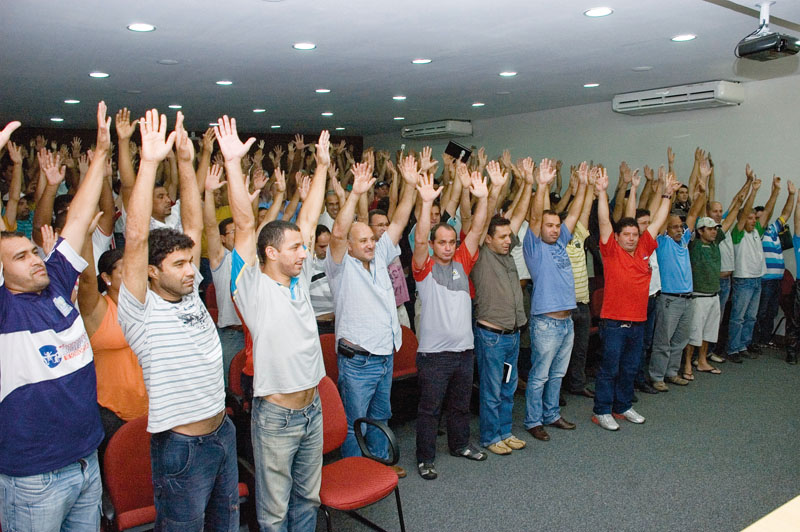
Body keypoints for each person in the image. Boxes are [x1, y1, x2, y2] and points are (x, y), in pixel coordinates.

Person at [117, 110, 239, 529]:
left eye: (191, 262)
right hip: (183, 445)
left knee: (224, 524)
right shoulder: (140, 309)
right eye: (179, 264)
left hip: (223, 432)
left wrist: (187, 163)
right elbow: (135, 238)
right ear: (152, 271)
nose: (191, 271)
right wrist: (149, 163)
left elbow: (191, 223)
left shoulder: (189, 294)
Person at [221, 118, 330, 531]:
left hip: (312, 408)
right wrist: (234, 163)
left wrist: (321, 167)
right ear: (269, 253)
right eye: (296, 248)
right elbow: (246, 224)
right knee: (274, 512)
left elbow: (312, 213)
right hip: (277, 417)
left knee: (308, 500)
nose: (304, 253)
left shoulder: (298, 282)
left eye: (304, 246)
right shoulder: (251, 288)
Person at [0, 109, 107, 531]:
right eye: (21, 257)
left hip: (85, 461)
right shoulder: (6, 311)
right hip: (34, 476)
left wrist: (100, 151)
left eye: (34, 251)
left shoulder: (58, 282)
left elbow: (78, 219)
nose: (35, 259)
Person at [325, 152, 418, 476]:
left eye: (371, 238)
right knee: (354, 422)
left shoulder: (379, 256)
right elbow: (337, 232)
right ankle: (355, 471)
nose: (370, 243)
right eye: (362, 240)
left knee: (381, 415)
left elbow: (400, 221)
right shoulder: (339, 267)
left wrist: (408, 183)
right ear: (348, 245)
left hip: (384, 355)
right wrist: (354, 193)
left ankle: (378, 464)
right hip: (358, 360)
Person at [413, 168, 489, 479]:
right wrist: (425, 203)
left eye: (450, 241)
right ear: (433, 244)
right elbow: (418, 238)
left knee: (460, 407)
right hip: (434, 356)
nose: (447, 246)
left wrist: (483, 198)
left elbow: (478, 227)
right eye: (441, 242)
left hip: (464, 351)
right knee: (430, 411)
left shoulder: (463, 260)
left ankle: (460, 445)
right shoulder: (424, 267)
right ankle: (425, 458)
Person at [592, 166, 679, 431]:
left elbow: (658, 220)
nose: (630, 238)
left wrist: (666, 195)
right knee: (610, 368)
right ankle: (602, 410)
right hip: (614, 322)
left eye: (633, 234)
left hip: (638, 321)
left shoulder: (643, 247)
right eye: (625, 235)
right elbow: (605, 222)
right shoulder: (610, 252)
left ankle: (622, 406)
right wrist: (602, 192)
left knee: (630, 368)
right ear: (617, 238)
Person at [471, 158, 533, 455]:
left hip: (512, 335)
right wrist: (493, 191)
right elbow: (481, 223)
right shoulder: (483, 254)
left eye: (510, 236)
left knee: (508, 389)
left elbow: (519, 215)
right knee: (492, 391)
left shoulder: (508, 253)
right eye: (504, 236)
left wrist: (529, 185)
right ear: (488, 239)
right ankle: (489, 437)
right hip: (492, 336)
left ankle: (504, 432)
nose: (510, 240)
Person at [522, 158, 585, 441]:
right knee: (539, 376)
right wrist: (542, 185)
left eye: (556, 225)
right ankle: (533, 421)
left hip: (566, 321)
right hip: (546, 322)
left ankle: (551, 414)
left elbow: (575, 213)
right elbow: (536, 217)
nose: (554, 229)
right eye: (549, 225)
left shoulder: (561, 241)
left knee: (557, 374)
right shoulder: (534, 247)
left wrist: (583, 186)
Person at [648, 169, 705, 391]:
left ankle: (672, 373)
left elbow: (693, 214)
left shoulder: (683, 241)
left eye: (681, 227)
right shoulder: (662, 242)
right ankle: (657, 376)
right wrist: (667, 192)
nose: (680, 229)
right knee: (663, 341)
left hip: (687, 299)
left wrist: (702, 188)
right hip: (669, 300)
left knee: (679, 341)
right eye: (675, 227)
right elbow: (661, 220)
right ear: (666, 229)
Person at [728, 173, 779, 362]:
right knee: (738, 317)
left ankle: (743, 345)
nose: (753, 220)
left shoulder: (757, 230)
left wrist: (775, 191)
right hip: (743, 280)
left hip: (757, 278)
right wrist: (753, 191)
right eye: (749, 218)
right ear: (742, 219)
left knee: (751, 317)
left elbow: (767, 213)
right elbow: (745, 212)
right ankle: (733, 349)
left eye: (753, 218)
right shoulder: (738, 232)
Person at [203, 164, 245, 386]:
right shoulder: (221, 259)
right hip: (230, 335)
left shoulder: (250, 258)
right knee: (229, 389)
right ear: (222, 238)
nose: (238, 235)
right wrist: (209, 193)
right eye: (232, 232)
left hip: (253, 333)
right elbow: (210, 226)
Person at [752, 180, 795, 350]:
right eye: (762, 216)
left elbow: (786, 213)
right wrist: (775, 192)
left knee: (771, 313)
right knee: (760, 312)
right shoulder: (757, 231)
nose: (766, 218)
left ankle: (765, 340)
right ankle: (754, 341)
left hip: (777, 279)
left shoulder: (773, 229)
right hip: (765, 279)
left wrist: (791, 195)